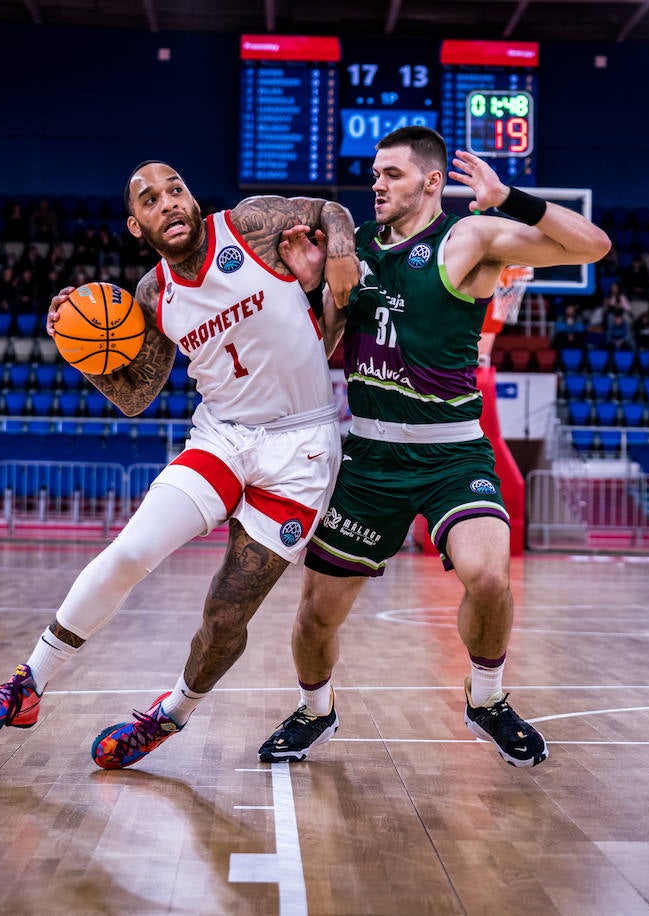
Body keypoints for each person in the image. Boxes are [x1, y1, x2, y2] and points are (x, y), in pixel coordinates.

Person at [0, 160, 359, 771]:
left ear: (193, 200)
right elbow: (137, 394)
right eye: (150, 199)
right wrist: (81, 350)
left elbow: (332, 211)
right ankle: (26, 686)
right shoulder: (151, 294)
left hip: (299, 450)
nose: (167, 203)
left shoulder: (250, 225)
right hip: (221, 438)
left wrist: (343, 254)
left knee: (226, 613)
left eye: (176, 190)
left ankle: (171, 714)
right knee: (129, 552)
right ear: (135, 225)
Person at [256, 127, 610, 768]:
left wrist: (510, 198)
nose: (376, 184)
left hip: (452, 452)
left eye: (390, 174)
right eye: (374, 174)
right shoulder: (353, 249)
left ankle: (488, 699)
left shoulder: (468, 239)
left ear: (428, 180)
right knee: (314, 617)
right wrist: (319, 289)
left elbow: (594, 245)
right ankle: (315, 712)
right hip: (370, 454)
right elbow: (323, 342)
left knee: (489, 577)